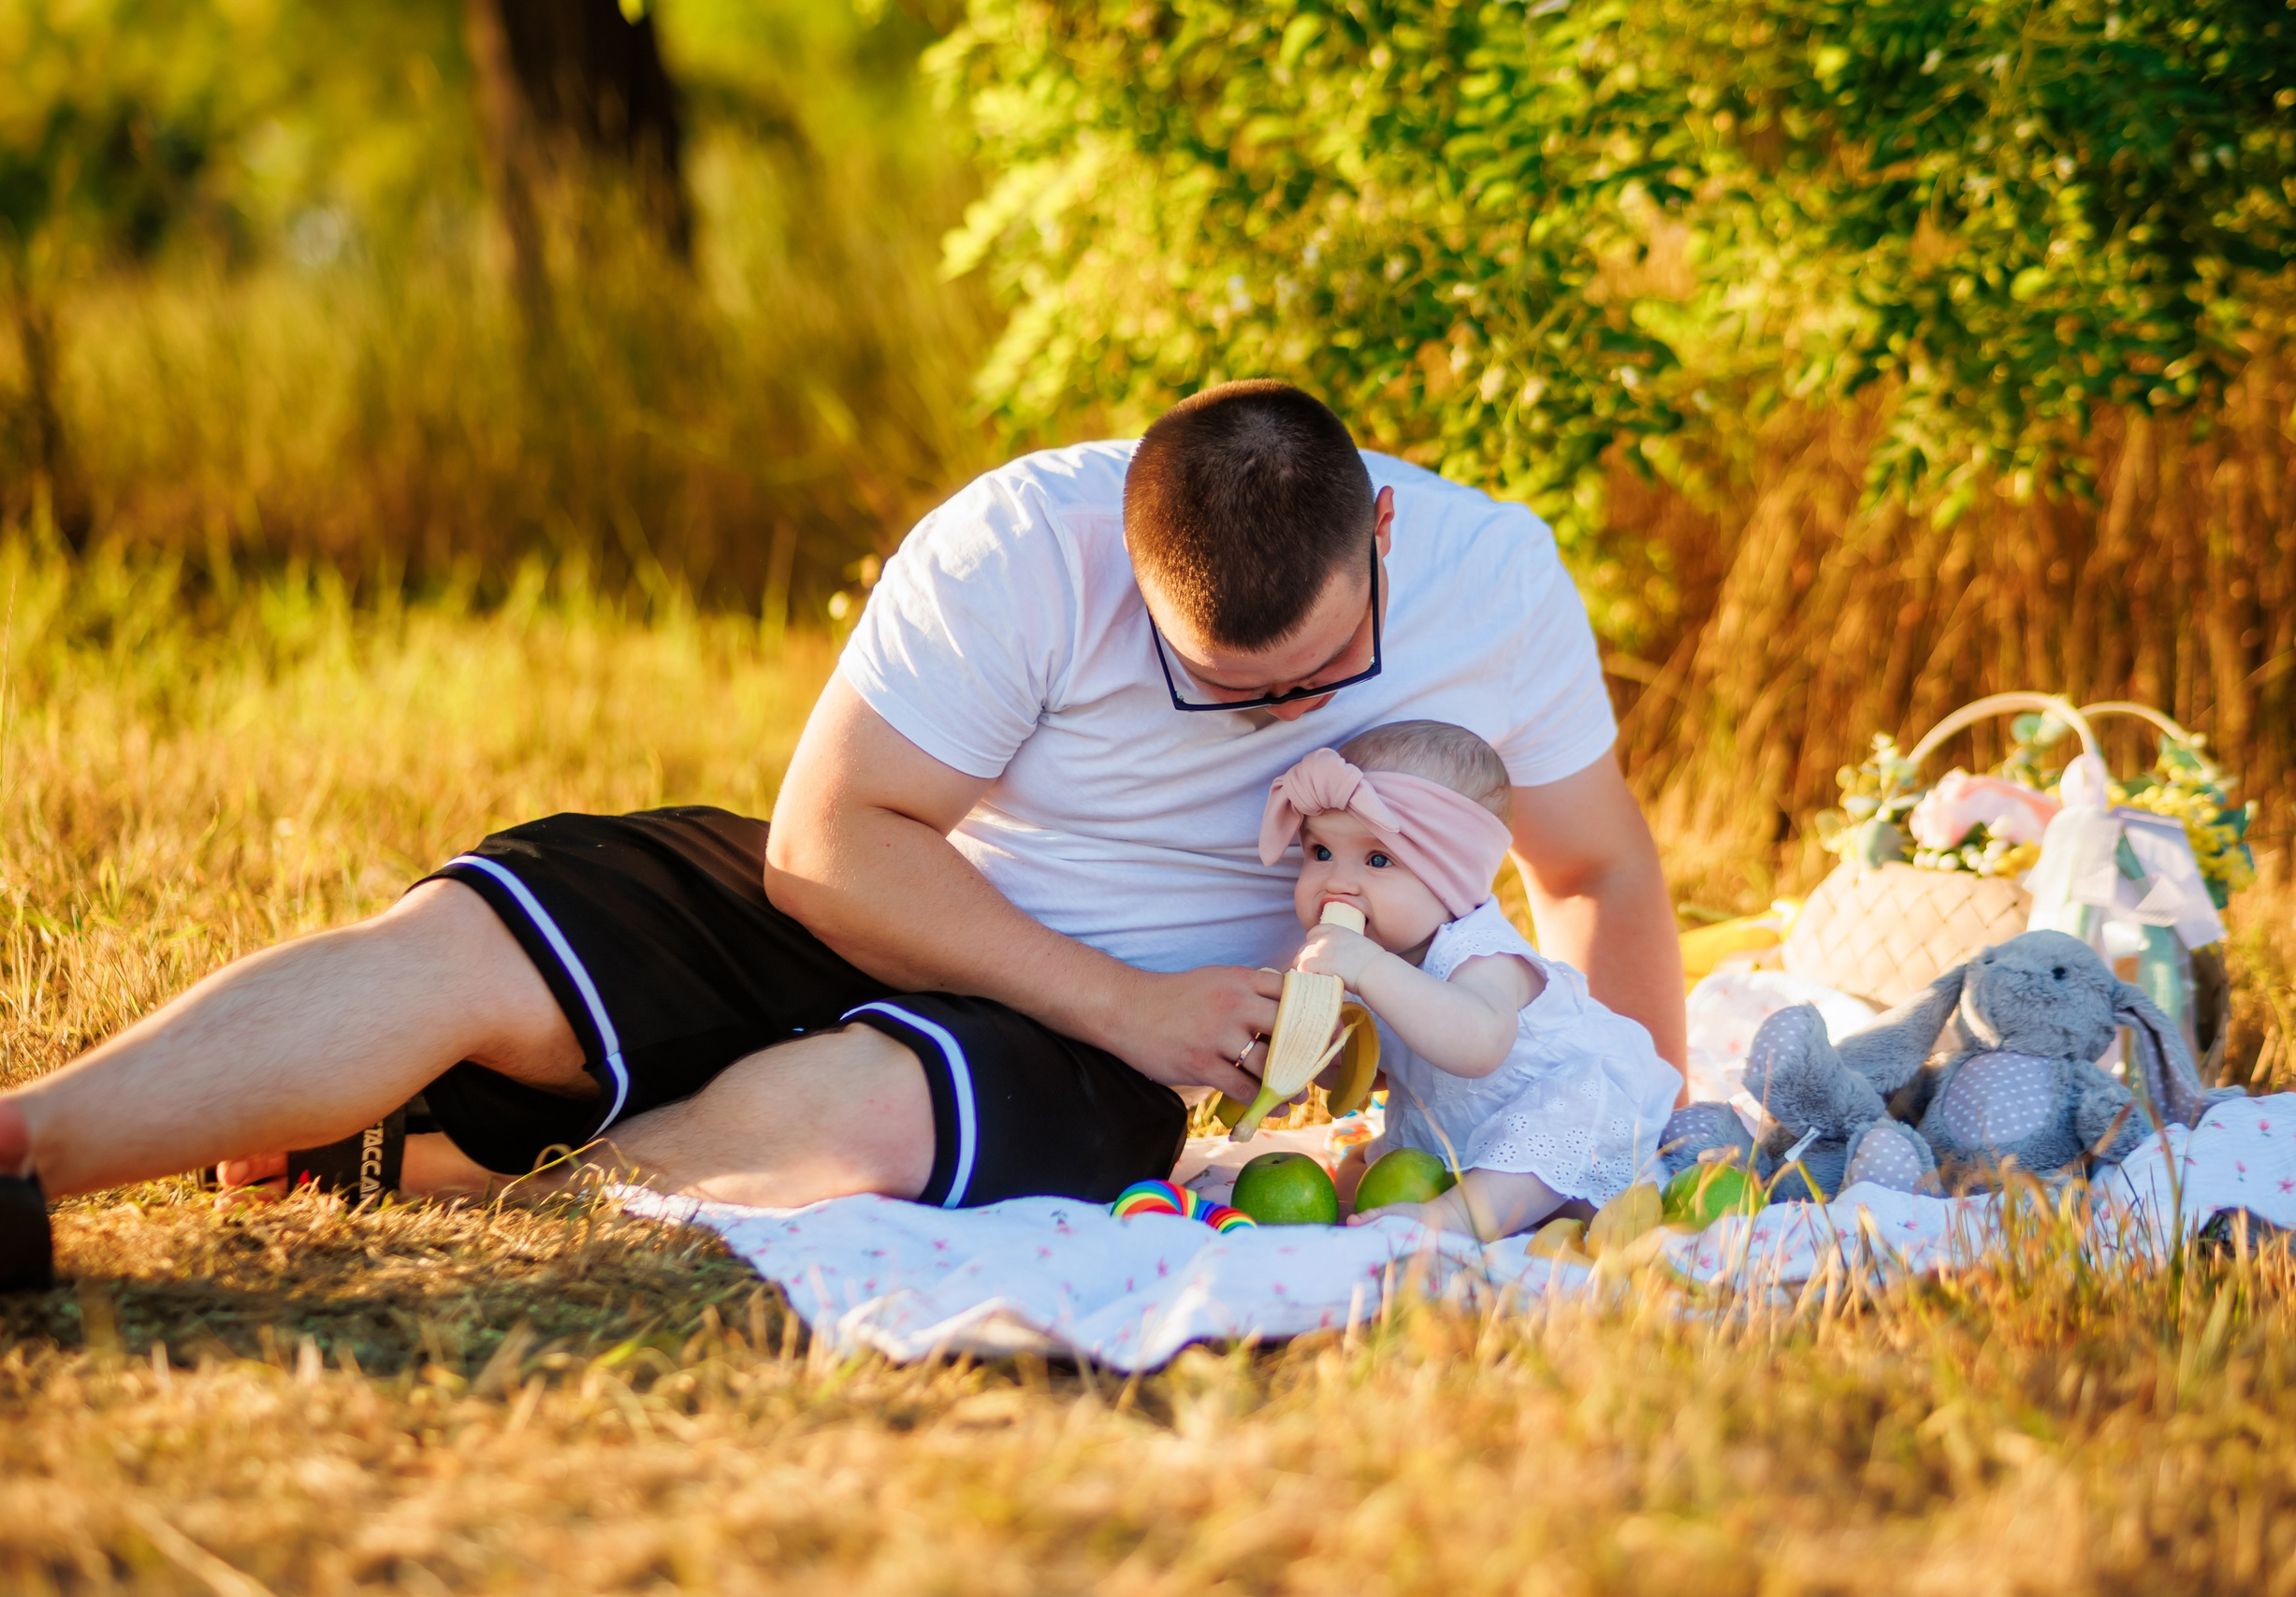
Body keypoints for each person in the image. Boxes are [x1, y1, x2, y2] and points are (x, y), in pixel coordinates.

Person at [0, 380, 1685, 1289]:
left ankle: (471, 1160)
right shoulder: (1021, 544)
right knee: (460, 948)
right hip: (891, 904)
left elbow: (1597, 872)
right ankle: (29, 1150)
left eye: (1320, 677)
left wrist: (1648, 1132)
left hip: (1095, 1057)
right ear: (1129, 558)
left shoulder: (1496, 578)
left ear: (1384, 525)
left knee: (859, 1116)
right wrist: (1115, 993)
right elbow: (825, 846)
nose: (1273, 715)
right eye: (1222, 684)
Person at [1256, 725, 1682, 1241]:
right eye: (1320, 852)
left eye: (1377, 860)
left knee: (1570, 1114)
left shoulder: (1480, 953)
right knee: (1356, 1176)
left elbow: (1478, 1046)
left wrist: (1368, 968)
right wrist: (1310, 1051)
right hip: (1456, 1136)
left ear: (1452, 876)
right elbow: (1365, 1076)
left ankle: (1454, 1220)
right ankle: (1378, 1219)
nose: (1336, 882)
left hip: (1567, 1122)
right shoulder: (1366, 957)